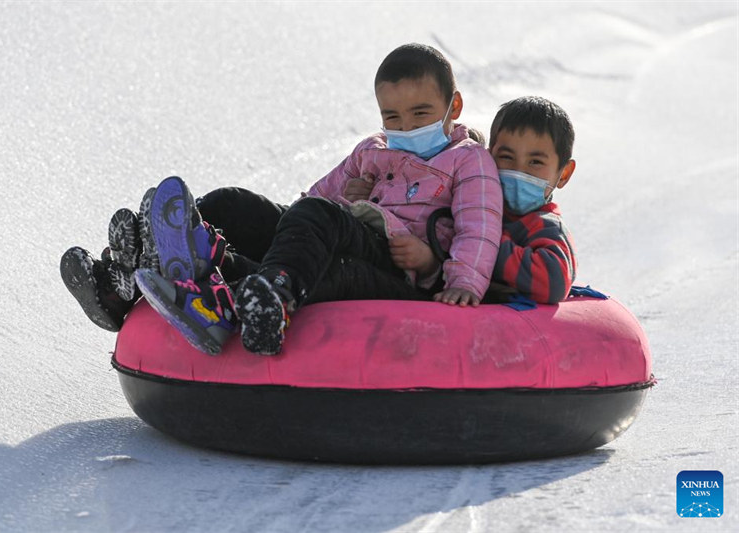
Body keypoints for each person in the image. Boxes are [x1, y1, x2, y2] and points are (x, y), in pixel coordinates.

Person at [132, 43, 502, 355]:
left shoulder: (468, 160)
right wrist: (338, 201)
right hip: (349, 234)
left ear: (453, 107)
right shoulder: (372, 149)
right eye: (393, 117)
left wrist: (457, 279)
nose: (405, 128)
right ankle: (148, 259)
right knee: (234, 203)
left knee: (319, 229)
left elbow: (478, 225)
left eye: (420, 114)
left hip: (398, 268)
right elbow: (316, 197)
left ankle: (268, 301)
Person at [486, 95, 577, 304]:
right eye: (506, 157)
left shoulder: (547, 227)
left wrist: (483, 239)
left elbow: (553, 283)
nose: (519, 171)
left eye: (535, 162)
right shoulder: (476, 206)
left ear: (563, 174)